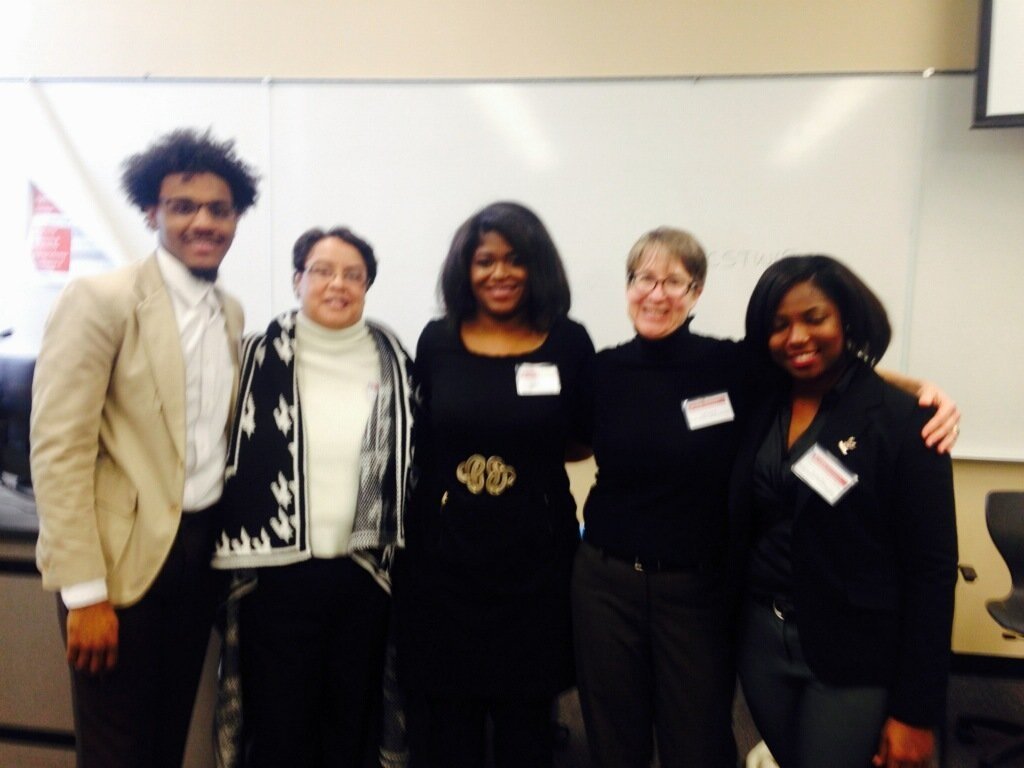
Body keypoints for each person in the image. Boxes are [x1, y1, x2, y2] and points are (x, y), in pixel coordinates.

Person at [571, 229, 960, 768]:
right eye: (644, 279)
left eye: (674, 281)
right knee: (612, 729)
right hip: (605, 580)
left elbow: (830, 367)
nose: (657, 294)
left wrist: (922, 392)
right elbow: (564, 437)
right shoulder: (601, 370)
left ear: (696, 292)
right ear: (628, 286)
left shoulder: (731, 365)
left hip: (697, 586)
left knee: (698, 736)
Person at [30, 128, 259, 768]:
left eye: (218, 208)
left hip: (197, 553)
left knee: (164, 741)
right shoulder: (102, 300)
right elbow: (58, 450)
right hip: (119, 565)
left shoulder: (231, 313)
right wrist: (84, 593)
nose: (202, 221)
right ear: (152, 212)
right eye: (183, 206)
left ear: (236, 216)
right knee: (116, 750)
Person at [731, 254, 958, 768]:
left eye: (815, 318)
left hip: (854, 650)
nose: (797, 337)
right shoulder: (761, 402)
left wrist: (916, 713)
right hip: (761, 639)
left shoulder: (904, 422)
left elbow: (932, 571)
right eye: (779, 325)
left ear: (847, 319)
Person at [394, 201, 594, 768]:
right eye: (485, 261)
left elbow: (582, 438)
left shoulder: (568, 342)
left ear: (538, 268)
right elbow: (420, 434)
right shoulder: (437, 341)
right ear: (465, 268)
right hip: (444, 559)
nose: (499, 274)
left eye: (514, 260)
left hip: (536, 558)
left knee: (526, 720)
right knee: (446, 720)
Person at [211, 226, 414, 768]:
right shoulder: (252, 358)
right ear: (298, 279)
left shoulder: (396, 362)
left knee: (350, 726)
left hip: (364, 574)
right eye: (322, 271)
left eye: (353, 274)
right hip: (274, 576)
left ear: (368, 284)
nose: (337, 284)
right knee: (279, 732)